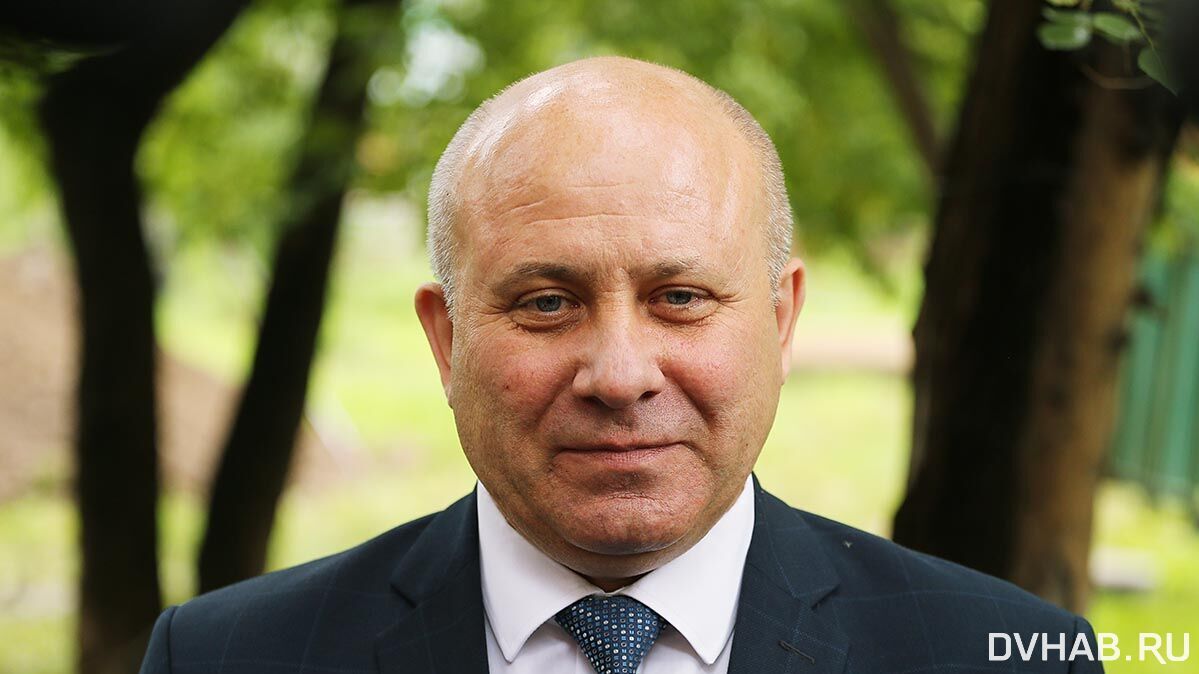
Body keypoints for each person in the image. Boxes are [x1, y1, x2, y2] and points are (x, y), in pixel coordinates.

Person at [140, 56, 1103, 674]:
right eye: (545, 303)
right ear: (446, 339)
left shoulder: (1003, 656)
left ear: (780, 321)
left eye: (679, 298)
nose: (618, 374)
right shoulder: (228, 657)